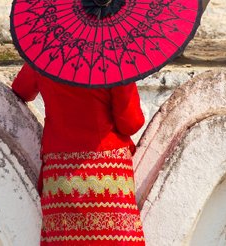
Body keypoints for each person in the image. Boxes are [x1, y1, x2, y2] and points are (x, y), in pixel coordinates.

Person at [11, 64, 146, 245]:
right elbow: (131, 123)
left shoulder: (46, 56)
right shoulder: (113, 62)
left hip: (61, 175)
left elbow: (21, 90)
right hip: (107, 176)